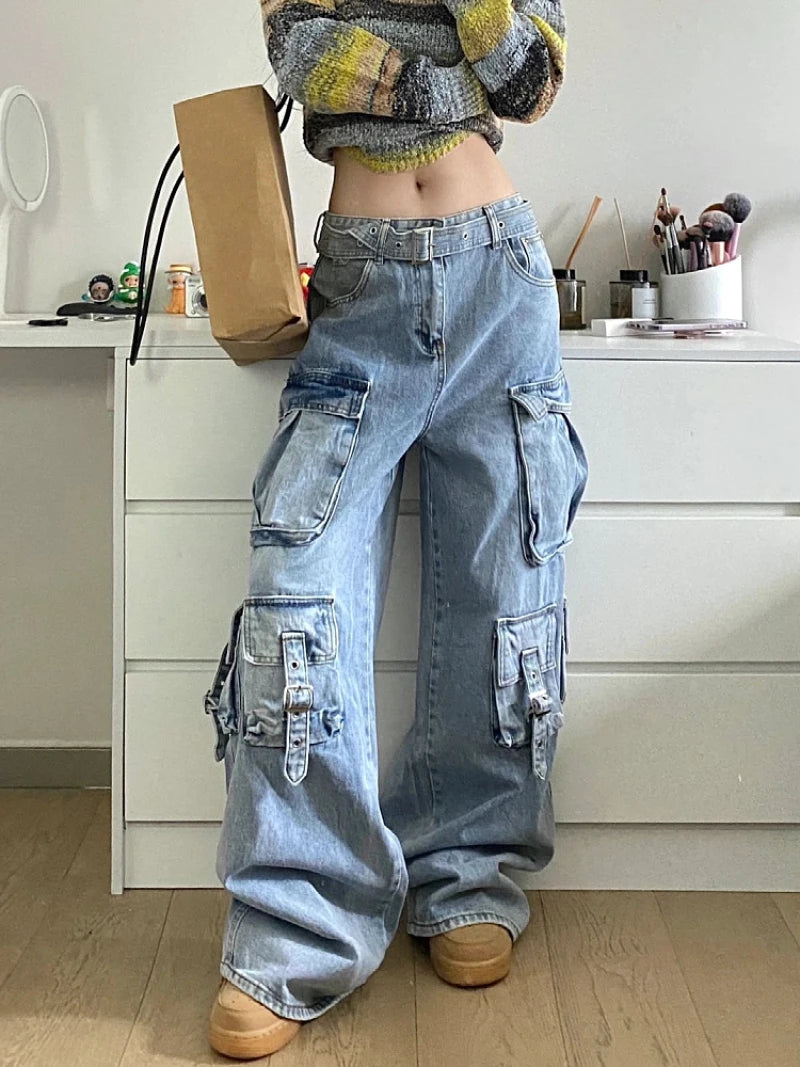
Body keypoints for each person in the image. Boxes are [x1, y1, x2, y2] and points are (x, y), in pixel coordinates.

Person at [206, 0, 588, 1057]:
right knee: (297, 588)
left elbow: (532, 79)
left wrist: (457, 37)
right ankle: (296, 921)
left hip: (500, 278)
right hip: (361, 283)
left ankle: (466, 870)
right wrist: (455, 81)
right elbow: (308, 58)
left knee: (505, 585)